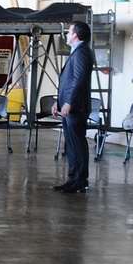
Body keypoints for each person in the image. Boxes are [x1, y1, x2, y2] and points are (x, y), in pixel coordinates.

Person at [52, 21, 94, 194]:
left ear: (76, 35)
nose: (66, 35)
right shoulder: (76, 52)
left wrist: (69, 102)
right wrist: (59, 102)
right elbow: (67, 82)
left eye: (69, 32)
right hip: (68, 106)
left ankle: (81, 180)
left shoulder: (82, 53)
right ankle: (73, 178)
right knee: (70, 144)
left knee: (77, 144)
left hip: (76, 107)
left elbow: (79, 80)